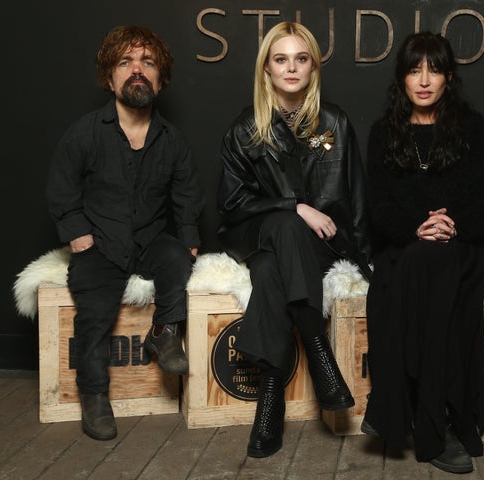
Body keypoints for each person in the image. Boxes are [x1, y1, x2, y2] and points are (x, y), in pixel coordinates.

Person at [217, 21, 371, 458]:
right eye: (281, 59)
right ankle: (319, 353)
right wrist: (292, 206)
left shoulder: (334, 123)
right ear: (266, 68)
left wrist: (365, 260)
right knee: (285, 227)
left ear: (313, 67)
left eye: (301, 59)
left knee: (270, 273)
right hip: (256, 230)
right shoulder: (245, 129)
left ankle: (270, 398)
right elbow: (230, 205)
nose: (291, 68)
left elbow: (356, 199)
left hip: (317, 245)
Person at [46, 25, 204, 441]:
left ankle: (163, 334)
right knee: (94, 319)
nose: (137, 70)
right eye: (126, 62)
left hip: (150, 238)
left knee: (177, 259)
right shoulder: (85, 131)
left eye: (148, 63)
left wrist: (187, 237)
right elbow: (62, 186)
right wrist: (77, 234)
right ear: (109, 76)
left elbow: (187, 192)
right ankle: (94, 397)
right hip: (99, 244)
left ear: (161, 78)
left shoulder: (172, 140)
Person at [362, 32, 484, 474]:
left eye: (434, 70)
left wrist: (448, 225)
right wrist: (417, 228)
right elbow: (378, 208)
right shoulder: (384, 132)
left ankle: (405, 412)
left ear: (448, 78)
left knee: (434, 264)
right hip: (404, 249)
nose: (424, 80)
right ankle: (435, 424)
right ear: (401, 77)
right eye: (414, 69)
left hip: (460, 252)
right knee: (419, 264)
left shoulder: (472, 128)